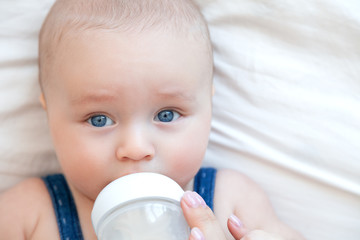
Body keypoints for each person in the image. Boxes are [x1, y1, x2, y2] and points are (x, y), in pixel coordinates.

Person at [0, 0, 304, 239]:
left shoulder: (233, 201)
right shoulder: (27, 214)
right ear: (49, 114)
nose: (135, 148)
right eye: (99, 120)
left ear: (208, 107)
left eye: (166, 115)